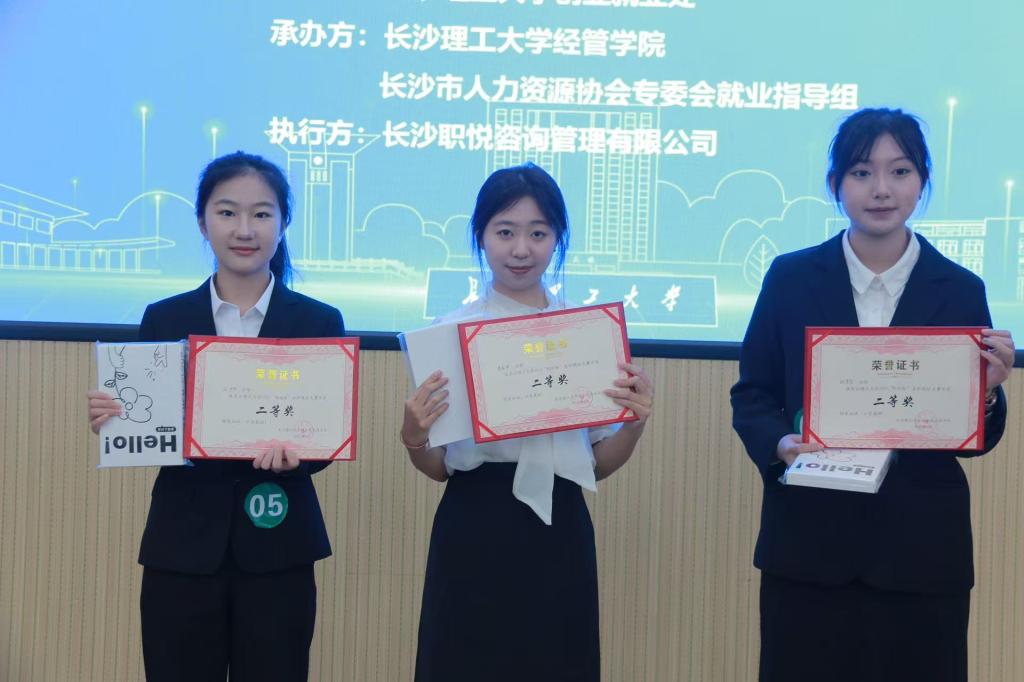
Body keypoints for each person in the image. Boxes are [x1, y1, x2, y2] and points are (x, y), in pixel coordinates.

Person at [730, 108, 1014, 682]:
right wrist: (782, 445)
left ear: (922, 182)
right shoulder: (790, 278)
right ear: (836, 184)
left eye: (900, 171)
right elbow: (753, 394)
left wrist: (985, 394)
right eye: (861, 172)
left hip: (921, 555)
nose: (881, 189)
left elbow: (974, 439)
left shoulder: (961, 289)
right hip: (809, 547)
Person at [87, 151, 344, 682]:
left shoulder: (318, 321)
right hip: (182, 547)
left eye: (261, 214)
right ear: (202, 223)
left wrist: (298, 457)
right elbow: (152, 420)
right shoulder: (165, 318)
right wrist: (117, 417)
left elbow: (325, 436)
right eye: (227, 212)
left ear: (283, 223)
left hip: (279, 547)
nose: (244, 229)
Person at [402, 162, 655, 682]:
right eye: (505, 232)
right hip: (473, 523)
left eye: (538, 233)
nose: (521, 249)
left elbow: (597, 464)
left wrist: (633, 425)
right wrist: (413, 437)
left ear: (557, 238)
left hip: (560, 525)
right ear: (480, 236)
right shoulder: (449, 333)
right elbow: (439, 467)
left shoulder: (585, 335)